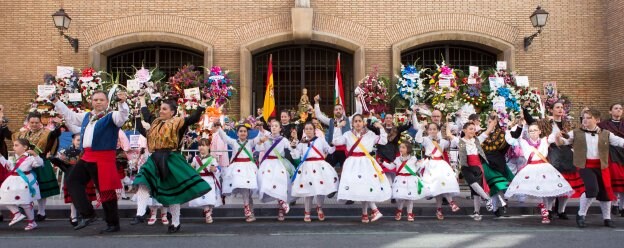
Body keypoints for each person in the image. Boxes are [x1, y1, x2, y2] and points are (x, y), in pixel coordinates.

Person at [132, 94, 212, 233]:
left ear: (172, 112)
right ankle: (140, 213)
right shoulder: (156, 122)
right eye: (160, 109)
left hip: (171, 158)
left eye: (164, 109)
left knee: (173, 191)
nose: (161, 111)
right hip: (155, 157)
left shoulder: (178, 123)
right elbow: (147, 115)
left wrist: (202, 104)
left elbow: (193, 119)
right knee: (143, 181)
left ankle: (175, 222)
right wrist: (142, 100)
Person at [52, 90, 129, 232]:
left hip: (103, 158)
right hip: (87, 156)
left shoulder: (112, 116)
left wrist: (122, 102)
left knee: (106, 192)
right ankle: (88, 214)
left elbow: (123, 116)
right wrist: (56, 101)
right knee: (72, 180)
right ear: (91, 102)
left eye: (101, 99)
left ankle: (113, 223)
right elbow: (71, 116)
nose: (98, 102)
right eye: (95, 100)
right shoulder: (88, 116)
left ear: (107, 102)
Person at [555, 108, 624, 228]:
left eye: (588, 118)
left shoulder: (606, 134)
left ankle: (607, 218)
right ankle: (581, 215)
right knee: (592, 190)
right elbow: (563, 142)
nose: (585, 120)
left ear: (597, 120)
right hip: (585, 166)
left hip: (602, 167)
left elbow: (619, 141)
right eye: (584, 118)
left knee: (605, 192)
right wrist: (557, 138)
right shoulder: (576, 132)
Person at [504, 122, 574, 224]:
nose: (533, 133)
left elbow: (555, 135)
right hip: (530, 168)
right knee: (538, 191)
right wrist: (519, 125)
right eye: (530, 131)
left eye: (535, 130)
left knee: (548, 190)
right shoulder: (523, 142)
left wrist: (557, 131)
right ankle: (545, 210)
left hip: (544, 168)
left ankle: (547, 211)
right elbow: (512, 137)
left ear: (540, 131)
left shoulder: (545, 140)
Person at [525, 101, 583, 219]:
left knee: (567, 184)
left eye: (562, 107)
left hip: (566, 154)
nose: (560, 109)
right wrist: (525, 109)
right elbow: (531, 123)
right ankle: (549, 209)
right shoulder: (546, 123)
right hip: (552, 153)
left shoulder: (568, 123)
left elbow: (573, 137)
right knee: (551, 184)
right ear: (551, 110)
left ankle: (561, 210)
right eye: (557, 107)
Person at [332, 114, 390, 223]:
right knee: (360, 187)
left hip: (366, 162)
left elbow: (383, 141)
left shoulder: (370, 134)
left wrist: (381, 128)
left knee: (366, 186)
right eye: (356, 121)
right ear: (352, 124)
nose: (358, 123)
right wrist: (338, 127)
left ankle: (373, 211)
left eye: (360, 121)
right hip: (352, 163)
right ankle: (366, 213)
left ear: (363, 123)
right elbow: (336, 142)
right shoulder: (348, 134)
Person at [12, 111, 62, 222]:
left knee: (42, 189)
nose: (34, 124)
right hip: (25, 163)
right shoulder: (22, 133)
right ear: (28, 122)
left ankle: (41, 211)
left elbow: (55, 135)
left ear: (41, 122)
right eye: (32, 122)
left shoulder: (47, 133)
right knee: (25, 187)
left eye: (36, 122)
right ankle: (26, 211)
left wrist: (58, 127)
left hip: (41, 162)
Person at [290, 121, 339, 222]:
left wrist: (334, 144)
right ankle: (307, 212)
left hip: (319, 166)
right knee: (308, 190)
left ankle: (319, 208)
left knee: (321, 189)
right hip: (306, 168)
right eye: (306, 129)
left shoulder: (320, 140)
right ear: (304, 131)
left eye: (310, 129)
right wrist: (293, 147)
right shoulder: (301, 142)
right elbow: (296, 156)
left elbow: (329, 150)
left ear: (314, 130)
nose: (308, 131)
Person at [448, 122, 496, 221]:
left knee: (476, 192)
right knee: (473, 184)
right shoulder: (459, 140)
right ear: (464, 130)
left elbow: (488, 129)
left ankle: (476, 211)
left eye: (474, 129)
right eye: (470, 129)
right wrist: (447, 122)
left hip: (477, 167)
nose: (472, 131)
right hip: (466, 166)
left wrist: (493, 120)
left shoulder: (477, 140)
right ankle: (487, 199)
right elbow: (449, 134)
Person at [215, 124, 262, 222]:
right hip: (237, 169)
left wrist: (261, 130)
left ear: (247, 133)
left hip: (248, 168)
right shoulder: (234, 142)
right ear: (237, 133)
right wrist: (219, 128)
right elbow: (225, 138)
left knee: (247, 192)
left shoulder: (250, 142)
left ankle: (249, 211)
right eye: (241, 131)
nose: (243, 133)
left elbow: (258, 138)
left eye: (244, 131)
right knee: (245, 190)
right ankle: (248, 211)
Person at [416, 122, 461, 220]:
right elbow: (418, 139)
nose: (432, 131)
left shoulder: (443, 141)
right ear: (428, 131)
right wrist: (421, 128)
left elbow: (453, 143)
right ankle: (442, 208)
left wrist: (450, 132)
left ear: (438, 130)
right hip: (431, 165)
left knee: (444, 185)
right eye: (430, 129)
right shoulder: (426, 140)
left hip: (441, 165)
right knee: (438, 189)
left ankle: (449, 204)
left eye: (434, 129)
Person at [50, 134, 97, 227]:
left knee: (87, 197)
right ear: (73, 141)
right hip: (72, 175)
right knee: (74, 198)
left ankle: (87, 215)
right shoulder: (67, 152)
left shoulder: (86, 152)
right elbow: (63, 165)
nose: (79, 142)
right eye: (78, 140)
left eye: (81, 140)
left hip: (85, 176)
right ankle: (73, 215)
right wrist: (54, 159)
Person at [255, 119, 295, 221]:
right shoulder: (266, 138)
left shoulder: (283, 140)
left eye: (276, 126)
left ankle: (281, 209)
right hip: (267, 164)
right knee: (267, 182)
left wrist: (294, 142)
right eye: (272, 126)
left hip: (279, 164)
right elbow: (258, 149)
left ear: (280, 128)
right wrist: (260, 141)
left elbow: (291, 148)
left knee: (280, 185)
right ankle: (282, 203)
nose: (273, 127)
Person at [0, 139, 42, 230]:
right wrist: (1, 157)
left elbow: (39, 164)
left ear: (25, 147)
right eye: (14, 145)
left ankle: (32, 222)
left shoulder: (30, 158)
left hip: (24, 182)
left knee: (25, 203)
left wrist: (35, 155)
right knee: (3, 197)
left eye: (16, 145)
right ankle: (17, 214)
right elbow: (8, 166)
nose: (13, 147)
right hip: (13, 182)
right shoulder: (14, 157)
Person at [381, 142, 426, 222]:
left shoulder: (413, 158)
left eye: (403, 147)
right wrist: (383, 162)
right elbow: (391, 167)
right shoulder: (397, 159)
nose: (401, 149)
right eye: (400, 147)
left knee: (410, 199)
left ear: (408, 149)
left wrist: (424, 161)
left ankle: (409, 213)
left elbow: (419, 166)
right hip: (400, 180)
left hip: (411, 180)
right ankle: (399, 211)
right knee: (401, 197)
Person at [597, 103, 624, 217]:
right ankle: (615, 204)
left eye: (620, 109)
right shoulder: (603, 125)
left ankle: (623, 207)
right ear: (610, 111)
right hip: (611, 154)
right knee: (615, 180)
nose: (618, 110)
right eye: (615, 108)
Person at [189, 138, 222, 224]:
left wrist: (214, 169)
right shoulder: (195, 158)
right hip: (200, 181)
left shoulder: (213, 159)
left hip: (210, 180)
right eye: (199, 145)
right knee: (204, 198)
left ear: (208, 146)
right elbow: (191, 168)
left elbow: (218, 169)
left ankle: (209, 211)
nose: (201, 147)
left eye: (203, 145)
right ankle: (207, 213)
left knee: (210, 199)